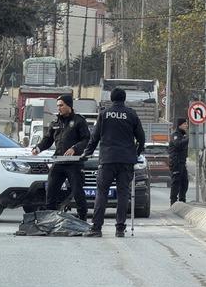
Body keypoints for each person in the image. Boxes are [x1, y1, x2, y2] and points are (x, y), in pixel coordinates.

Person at [81, 88, 145, 238]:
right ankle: (120, 229)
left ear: (111, 98)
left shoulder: (104, 114)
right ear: (124, 98)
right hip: (126, 160)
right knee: (123, 194)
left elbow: (95, 137)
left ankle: (96, 228)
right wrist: (136, 153)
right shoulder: (131, 114)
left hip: (107, 159)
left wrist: (87, 153)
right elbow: (141, 138)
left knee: (102, 193)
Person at [31, 94, 91, 220]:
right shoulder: (55, 122)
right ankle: (50, 219)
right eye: (58, 105)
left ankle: (83, 219)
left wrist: (75, 148)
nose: (59, 108)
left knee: (77, 192)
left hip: (74, 163)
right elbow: (47, 140)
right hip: (58, 162)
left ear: (69, 105)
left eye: (61, 105)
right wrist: (38, 148)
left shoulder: (79, 121)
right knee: (51, 191)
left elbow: (86, 139)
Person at [169, 117, 189, 205]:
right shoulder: (175, 135)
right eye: (185, 124)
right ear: (180, 125)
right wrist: (188, 139)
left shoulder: (183, 135)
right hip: (176, 162)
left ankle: (182, 200)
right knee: (176, 182)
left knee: (184, 182)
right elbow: (178, 144)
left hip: (182, 162)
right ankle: (173, 202)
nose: (186, 125)